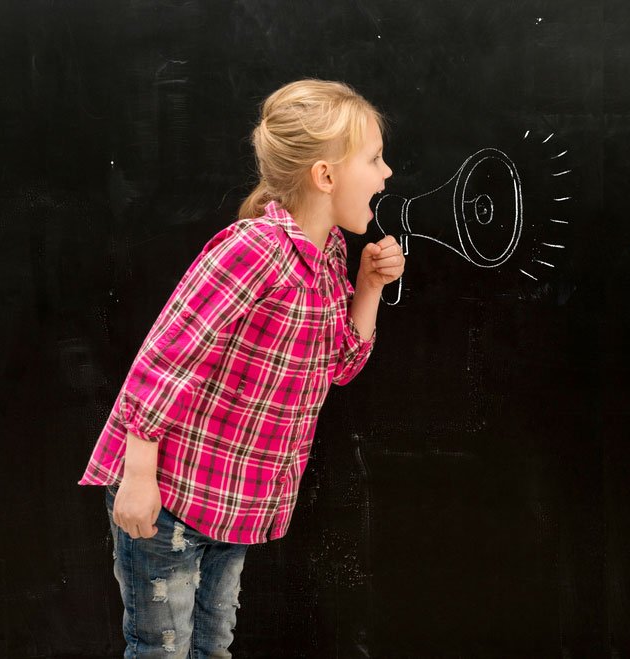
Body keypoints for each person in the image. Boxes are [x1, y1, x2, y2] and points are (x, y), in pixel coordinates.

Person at [80, 79, 404, 657]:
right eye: (374, 159)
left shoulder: (328, 254)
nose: (386, 174)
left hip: (233, 498)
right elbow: (164, 357)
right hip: (170, 491)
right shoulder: (254, 248)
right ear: (325, 176)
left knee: (213, 645)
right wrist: (137, 474)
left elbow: (341, 366)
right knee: (161, 649)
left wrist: (369, 286)